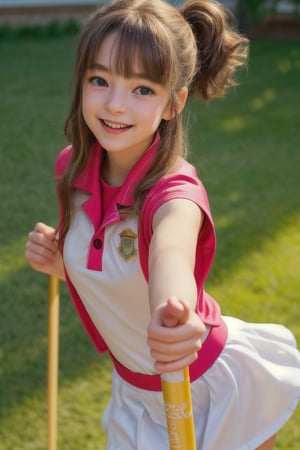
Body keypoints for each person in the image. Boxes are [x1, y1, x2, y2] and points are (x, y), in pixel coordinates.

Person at [25, 1, 300, 449]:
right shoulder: (71, 171)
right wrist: (62, 264)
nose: (115, 104)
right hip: (135, 393)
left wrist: (176, 312)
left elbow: (170, 259)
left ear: (174, 102)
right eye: (100, 80)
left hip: (206, 386)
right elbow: (115, 273)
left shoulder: (175, 198)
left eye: (142, 90)